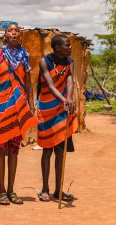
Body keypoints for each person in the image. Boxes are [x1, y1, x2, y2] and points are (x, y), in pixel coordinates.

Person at [0, 24, 39, 205]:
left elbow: (28, 82)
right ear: (5, 36)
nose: (14, 33)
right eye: (10, 31)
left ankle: (11, 191)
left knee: (14, 150)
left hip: (18, 108)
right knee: (0, 149)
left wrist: (31, 104)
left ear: (20, 36)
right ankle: (1, 191)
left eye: (17, 31)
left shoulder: (25, 55)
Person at [36, 34, 78, 202]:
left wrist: (68, 98)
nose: (70, 48)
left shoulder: (69, 61)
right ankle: (45, 189)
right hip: (47, 109)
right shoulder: (44, 62)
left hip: (62, 109)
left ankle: (58, 190)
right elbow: (50, 85)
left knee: (60, 152)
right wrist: (64, 100)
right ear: (57, 48)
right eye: (67, 45)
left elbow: (69, 80)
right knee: (47, 150)